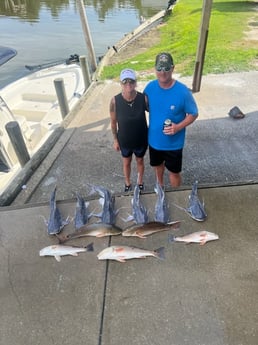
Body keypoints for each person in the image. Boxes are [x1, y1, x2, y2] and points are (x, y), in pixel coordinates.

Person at [144, 52, 198, 188]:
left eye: (167, 68)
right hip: (154, 141)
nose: (163, 72)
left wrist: (178, 127)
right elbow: (144, 106)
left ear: (173, 68)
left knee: (174, 173)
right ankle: (160, 187)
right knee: (158, 167)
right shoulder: (149, 88)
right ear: (155, 69)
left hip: (174, 144)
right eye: (159, 69)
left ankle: (176, 195)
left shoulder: (183, 91)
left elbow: (193, 113)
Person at [110, 68, 148, 192]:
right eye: (125, 82)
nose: (128, 84)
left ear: (135, 83)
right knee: (126, 162)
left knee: (140, 161)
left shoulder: (143, 98)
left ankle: (140, 181)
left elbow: (156, 112)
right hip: (124, 140)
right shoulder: (115, 101)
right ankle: (127, 183)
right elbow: (113, 123)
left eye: (131, 81)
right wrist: (115, 140)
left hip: (141, 138)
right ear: (121, 84)